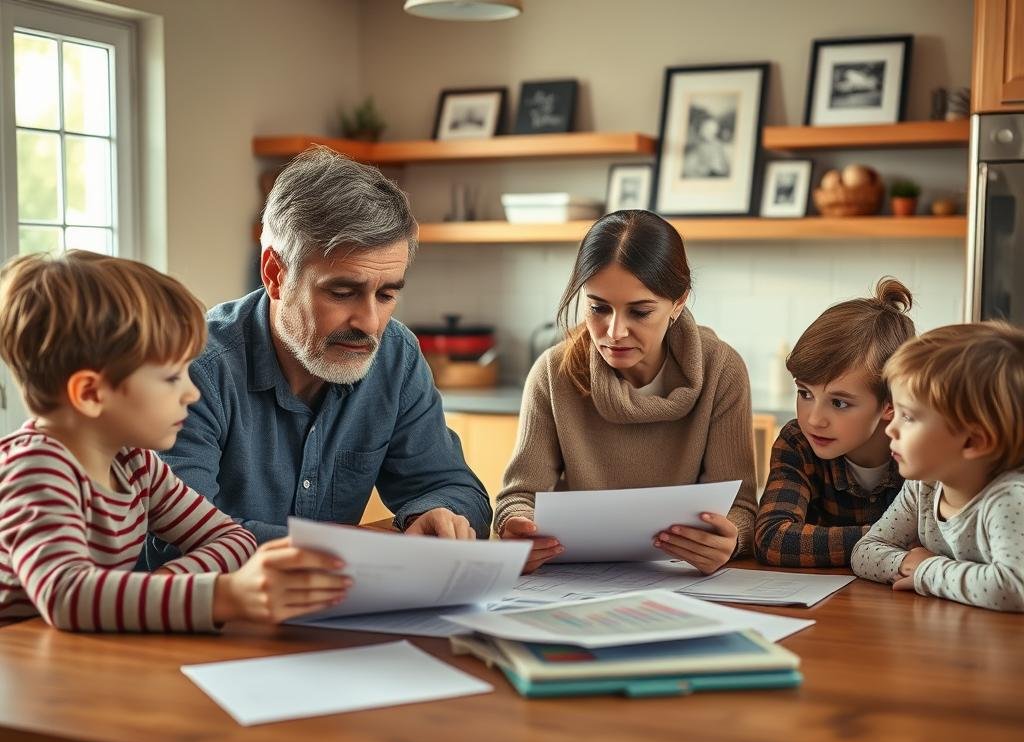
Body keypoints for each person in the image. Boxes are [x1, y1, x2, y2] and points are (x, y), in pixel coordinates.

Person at [143, 147, 490, 569]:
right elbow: (178, 536)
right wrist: (359, 546)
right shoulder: (192, 368)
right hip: (195, 623)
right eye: (342, 292)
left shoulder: (395, 356)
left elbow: (456, 489)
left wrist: (435, 514)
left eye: (387, 294)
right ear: (274, 273)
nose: (369, 322)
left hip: (330, 616)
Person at [0, 252, 350, 631]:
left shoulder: (136, 465)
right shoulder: (36, 470)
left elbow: (230, 537)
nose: (191, 393)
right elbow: (67, 595)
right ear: (89, 392)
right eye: (171, 378)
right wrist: (223, 595)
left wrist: (159, 590)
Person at [496, 209, 756, 574]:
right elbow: (517, 498)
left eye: (640, 312)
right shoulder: (552, 374)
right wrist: (517, 528)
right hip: (574, 583)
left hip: (683, 581)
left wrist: (731, 540)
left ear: (679, 301)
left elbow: (741, 508)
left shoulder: (722, 371)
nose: (614, 332)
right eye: (598, 308)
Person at [851, 322, 1024, 612]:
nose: (891, 429)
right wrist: (906, 562)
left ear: (973, 441)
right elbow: (865, 551)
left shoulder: (1009, 499)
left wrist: (928, 571)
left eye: (908, 417)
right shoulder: (925, 487)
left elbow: (1014, 587)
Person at [755, 279, 914, 567]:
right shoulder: (797, 442)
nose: (814, 420)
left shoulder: (923, 451)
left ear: (890, 404)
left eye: (839, 403)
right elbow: (772, 538)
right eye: (805, 393)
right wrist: (888, 542)